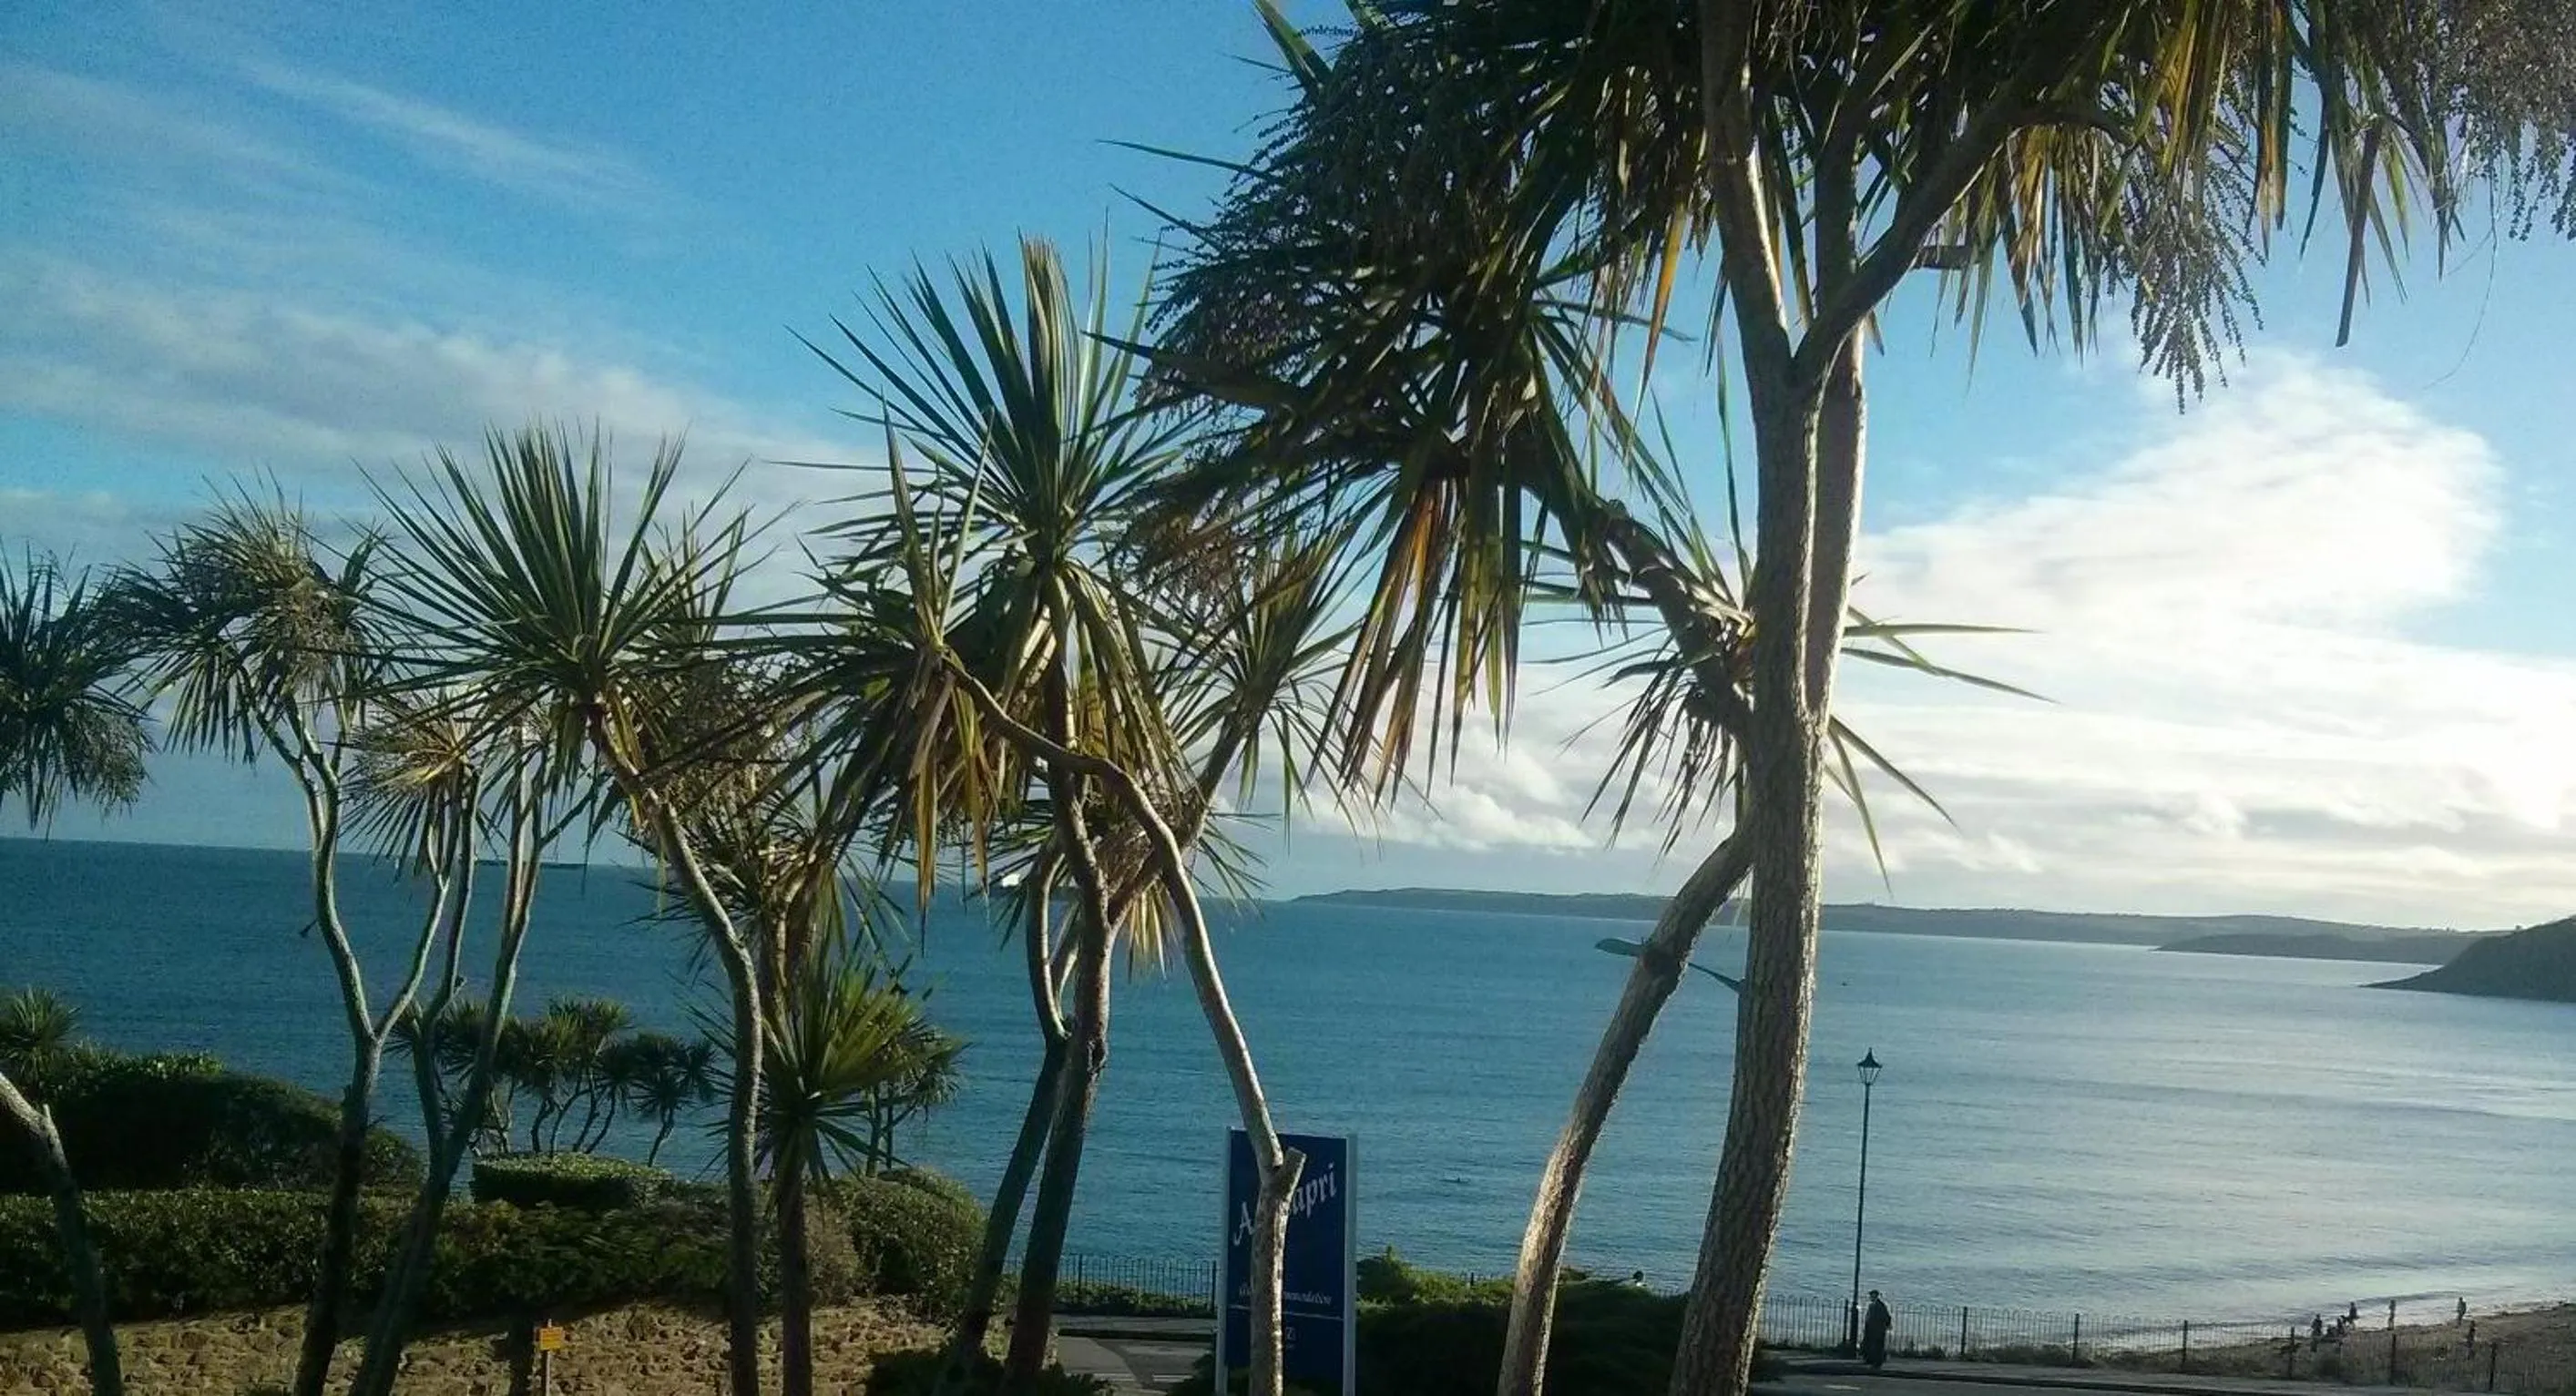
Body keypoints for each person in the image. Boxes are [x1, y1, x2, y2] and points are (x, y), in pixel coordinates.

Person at [1862, 1289, 1894, 1370]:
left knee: (1878, 1346)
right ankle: (1870, 1359)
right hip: (1871, 1328)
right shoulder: (1872, 1305)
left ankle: (1877, 1362)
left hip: (1878, 1329)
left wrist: (1887, 1325)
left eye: (1872, 1296)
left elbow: (1886, 1316)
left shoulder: (1880, 1305)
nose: (1870, 1297)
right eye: (1870, 1296)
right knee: (1871, 1344)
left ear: (1875, 1296)